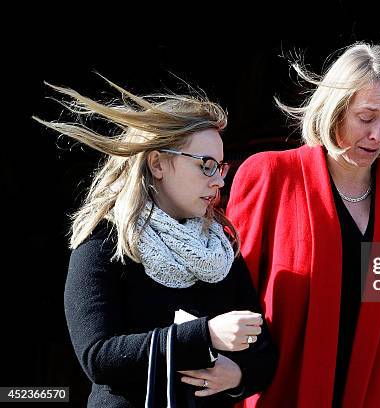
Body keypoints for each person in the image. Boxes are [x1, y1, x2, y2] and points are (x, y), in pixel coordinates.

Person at [33, 79, 277, 407]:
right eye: (206, 165)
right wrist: (204, 336)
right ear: (158, 163)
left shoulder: (220, 247)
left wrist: (238, 375)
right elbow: (97, 357)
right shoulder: (104, 240)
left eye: (220, 167)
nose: (219, 180)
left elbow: (263, 352)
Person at [226, 43, 380, 407]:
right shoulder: (270, 175)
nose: (379, 135)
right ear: (336, 109)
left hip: (376, 391)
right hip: (280, 390)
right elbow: (231, 300)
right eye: (366, 117)